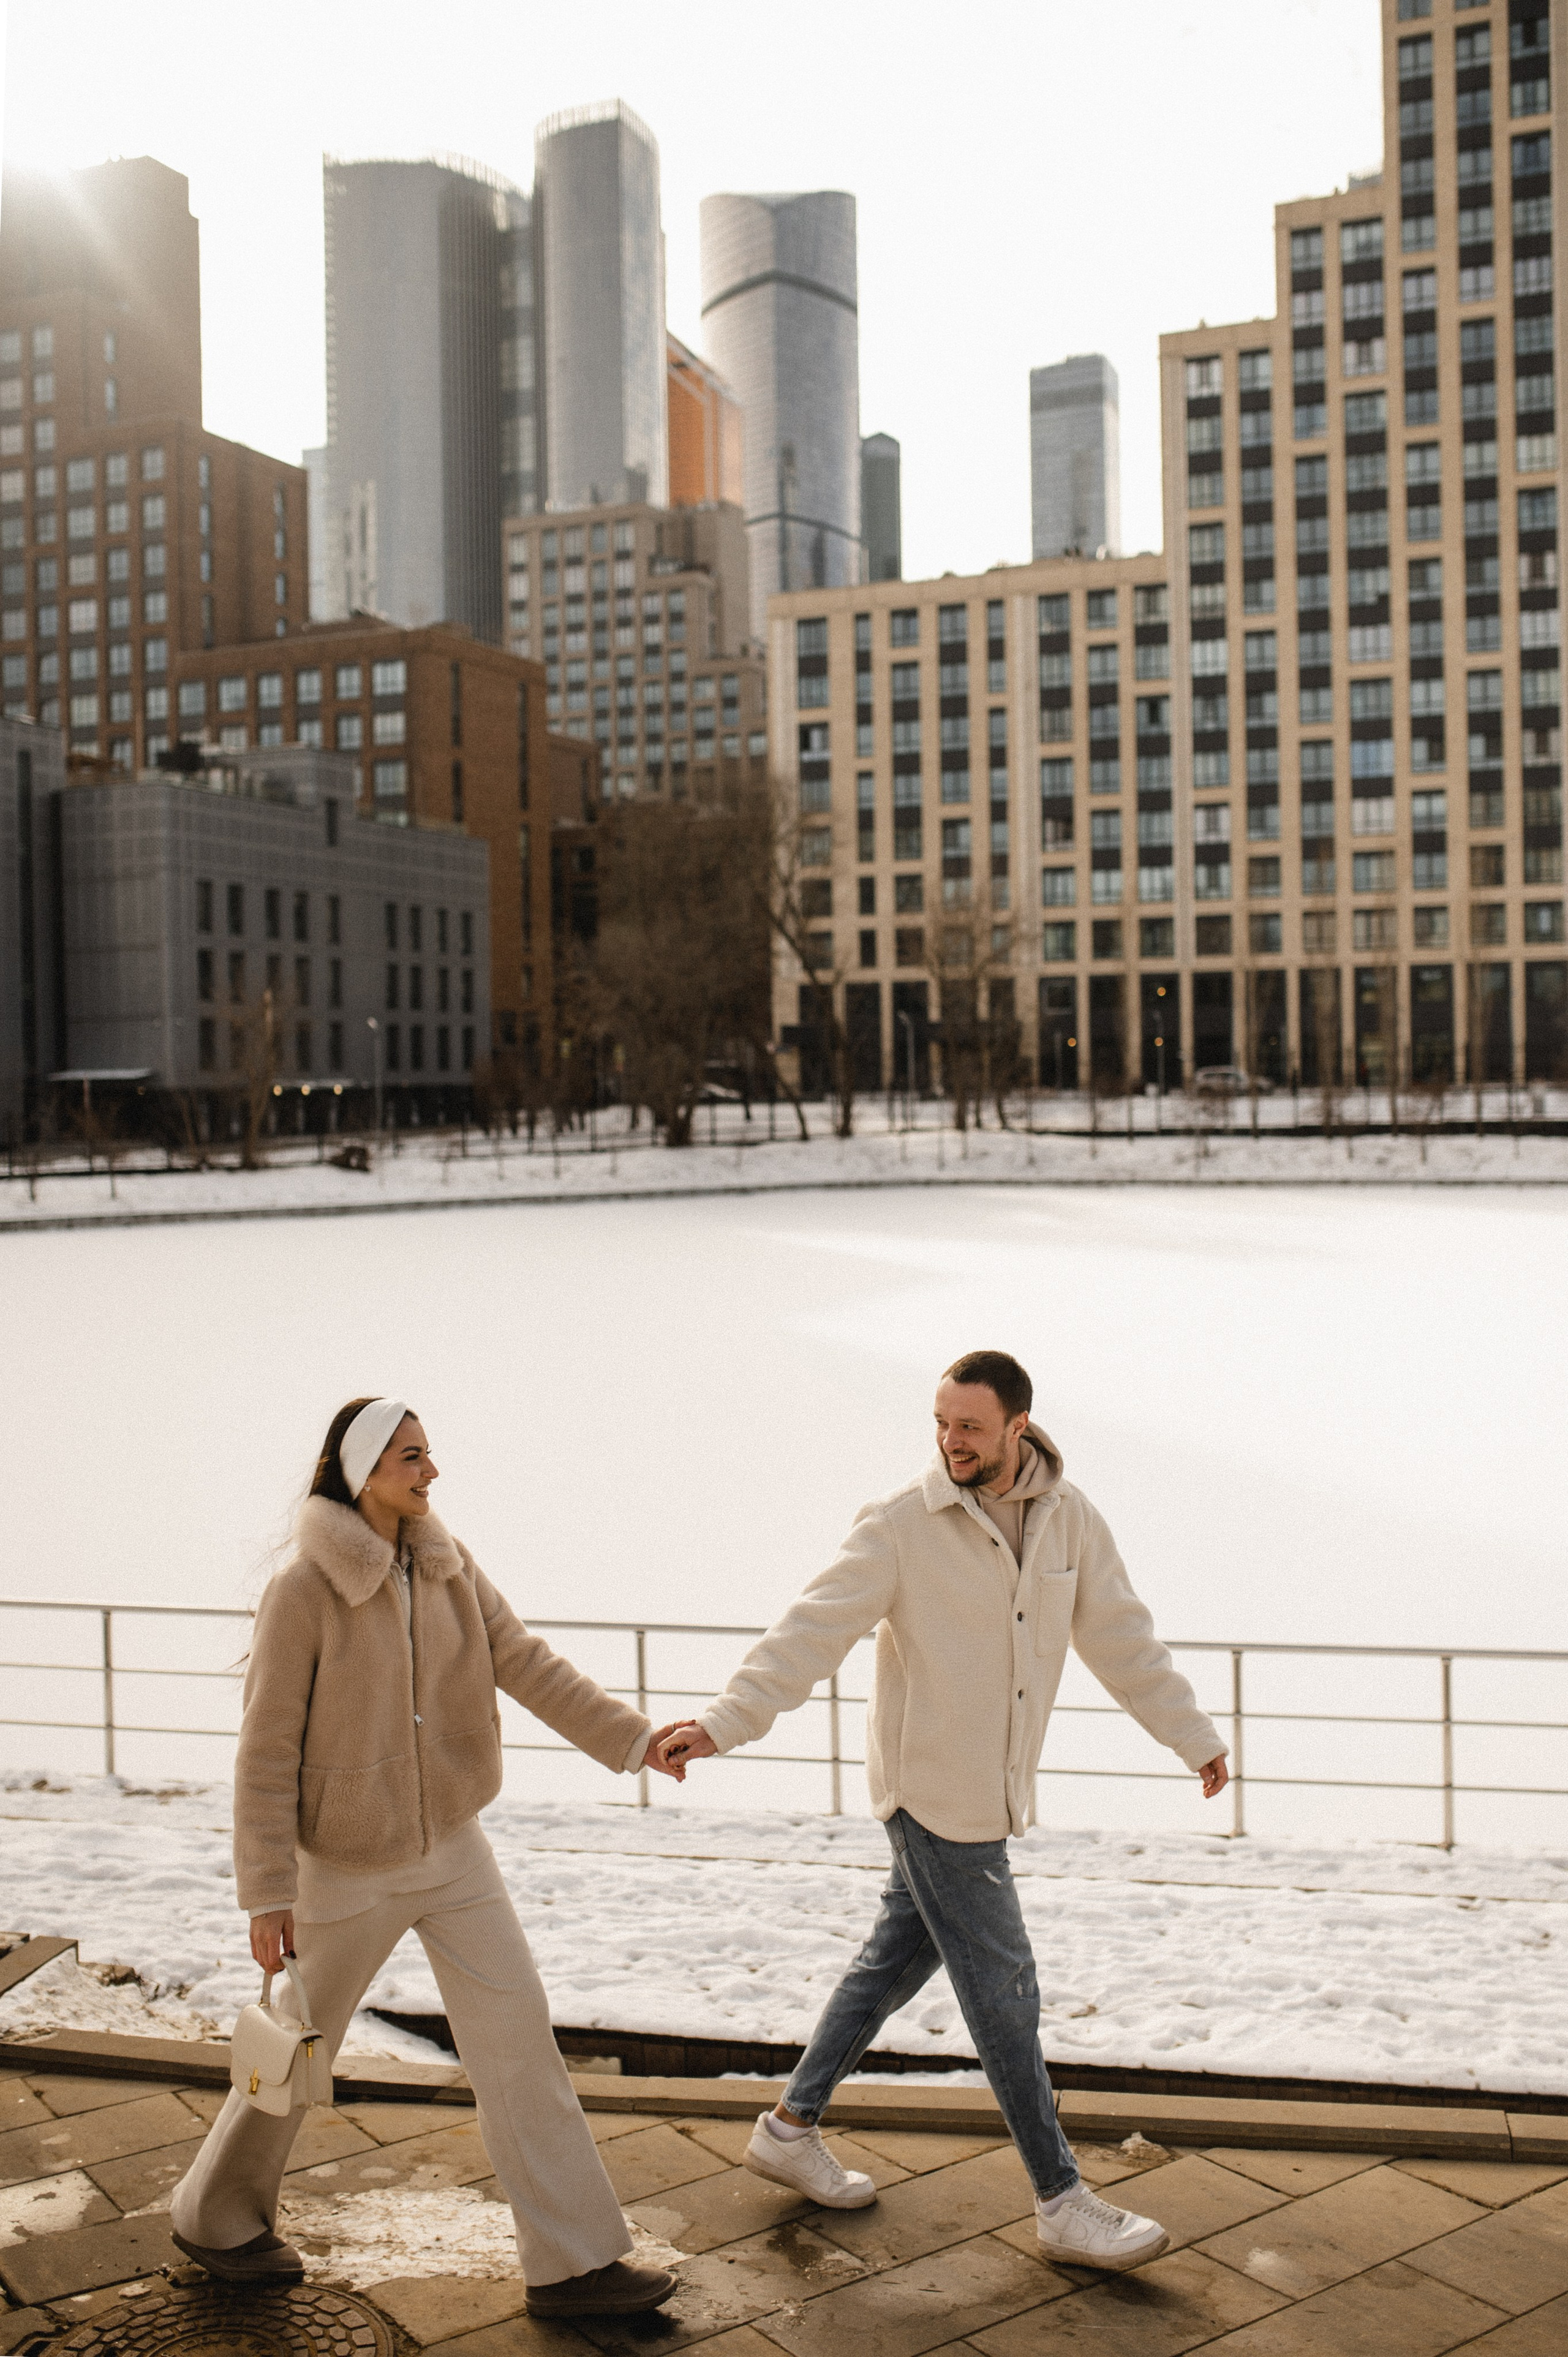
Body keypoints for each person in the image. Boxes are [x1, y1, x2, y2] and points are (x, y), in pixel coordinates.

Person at [655, 1349, 1229, 2274]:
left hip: (992, 1796)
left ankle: (789, 2127)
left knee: (895, 1957)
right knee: (1006, 1993)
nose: (949, 1441)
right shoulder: (900, 1525)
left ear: (1018, 1428)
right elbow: (810, 1631)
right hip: (928, 1794)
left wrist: (1191, 1734)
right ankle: (1061, 2199)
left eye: (968, 1425)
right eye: (940, 1422)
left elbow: (1122, 1635)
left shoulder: (1070, 1519)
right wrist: (727, 1723)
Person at [170, 1395, 685, 2321]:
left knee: (521, 2039)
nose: (431, 1472)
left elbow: (524, 1661)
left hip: (454, 1849)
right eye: (412, 1457)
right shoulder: (304, 1591)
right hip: (345, 1863)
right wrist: (266, 1892)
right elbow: (264, 1748)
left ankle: (575, 2265)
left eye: (428, 1454)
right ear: (364, 1472)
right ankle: (215, 2216)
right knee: (288, 2053)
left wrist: (637, 1740)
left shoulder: (447, 1565)